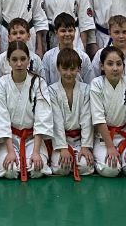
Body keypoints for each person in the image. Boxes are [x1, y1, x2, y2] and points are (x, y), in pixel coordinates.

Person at [0, 41, 51, 180]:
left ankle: (35, 152)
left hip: (33, 138)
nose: (19, 64)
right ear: (8, 61)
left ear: (29, 60)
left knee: (37, 169)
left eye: (23, 59)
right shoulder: (1, 84)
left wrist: (36, 152)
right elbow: (2, 119)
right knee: (10, 170)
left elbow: (42, 117)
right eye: (14, 59)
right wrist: (10, 151)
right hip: (9, 139)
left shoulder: (39, 83)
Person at [88, 46, 126, 176]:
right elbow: (99, 119)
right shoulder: (96, 84)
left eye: (119, 64)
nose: (115, 68)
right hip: (103, 138)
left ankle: (125, 156)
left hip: (124, 135)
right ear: (102, 66)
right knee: (110, 169)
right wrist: (110, 147)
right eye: (110, 64)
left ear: (123, 66)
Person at [46, 47, 94, 180]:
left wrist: (85, 147)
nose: (68, 73)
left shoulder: (86, 90)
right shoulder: (51, 91)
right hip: (61, 140)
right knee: (61, 168)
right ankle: (61, 153)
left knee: (86, 166)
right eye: (65, 69)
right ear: (58, 68)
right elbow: (56, 121)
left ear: (79, 69)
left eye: (73, 69)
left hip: (80, 140)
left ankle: (81, 151)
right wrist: (63, 148)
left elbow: (86, 119)